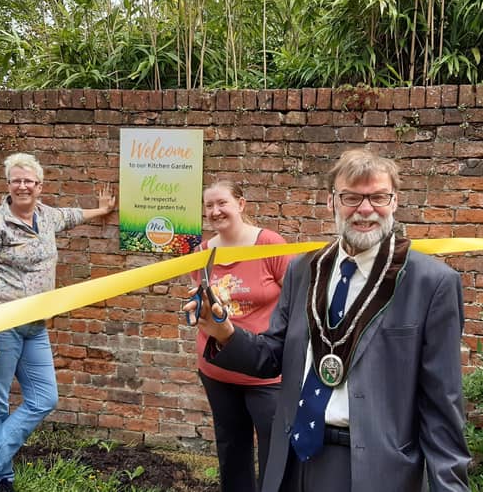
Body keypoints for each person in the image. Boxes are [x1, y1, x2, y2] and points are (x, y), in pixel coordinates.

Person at [184, 149, 470, 492]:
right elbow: (273, 356)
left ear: (394, 202)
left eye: (378, 197)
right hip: (293, 459)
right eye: (351, 197)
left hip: (375, 468)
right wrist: (225, 332)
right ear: (331, 201)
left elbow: (443, 406)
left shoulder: (431, 283)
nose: (365, 209)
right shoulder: (304, 270)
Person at [0, 152, 116, 492]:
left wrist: (102, 211)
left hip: (35, 329)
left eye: (28, 181)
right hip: (0, 324)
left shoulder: (46, 217)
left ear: (39, 186)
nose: (22, 186)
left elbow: (71, 215)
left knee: (44, 398)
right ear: (8, 185)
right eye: (16, 180)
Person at [191, 180, 291, 492]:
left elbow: (295, 299)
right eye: (209, 206)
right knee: (231, 449)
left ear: (241, 204)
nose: (215, 211)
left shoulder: (270, 244)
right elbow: (201, 301)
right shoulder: (202, 253)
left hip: (266, 375)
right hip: (217, 370)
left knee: (276, 452)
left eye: (222, 203)